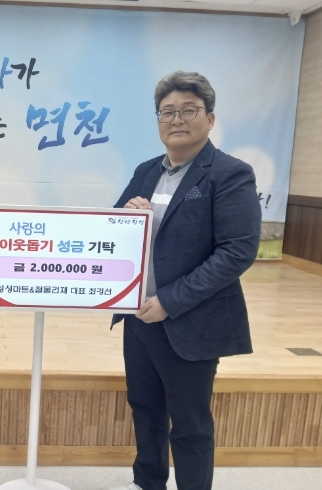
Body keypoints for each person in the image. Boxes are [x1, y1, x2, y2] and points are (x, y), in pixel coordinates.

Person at [108, 71, 261, 490]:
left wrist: (169, 301)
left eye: (188, 110)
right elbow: (112, 230)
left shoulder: (228, 173)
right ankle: (147, 483)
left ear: (209, 119)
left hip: (190, 321)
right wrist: (126, 215)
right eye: (167, 112)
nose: (176, 119)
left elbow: (237, 251)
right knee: (145, 409)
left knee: (190, 423)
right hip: (139, 317)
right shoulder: (145, 171)